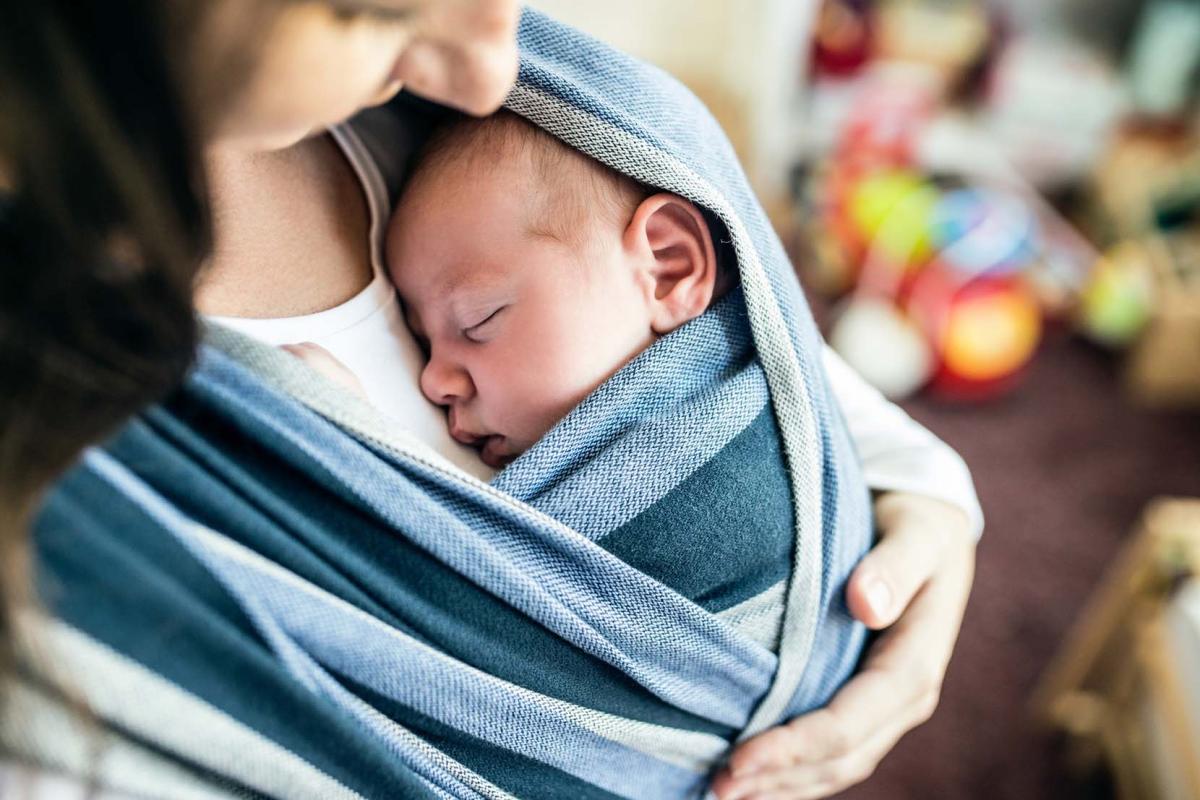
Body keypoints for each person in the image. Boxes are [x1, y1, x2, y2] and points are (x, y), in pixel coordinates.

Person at [0, 2, 979, 798]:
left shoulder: (523, 123)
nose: (489, 63)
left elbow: (746, 336)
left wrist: (927, 491)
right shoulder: (63, 460)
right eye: (370, 12)